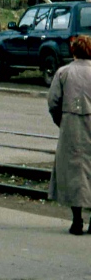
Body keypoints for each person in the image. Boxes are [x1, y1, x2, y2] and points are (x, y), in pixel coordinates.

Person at [47, 34, 91, 235]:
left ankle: (77, 219)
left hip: (71, 123)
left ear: (74, 50)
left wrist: (62, 121)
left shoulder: (63, 73)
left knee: (73, 171)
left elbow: (53, 101)